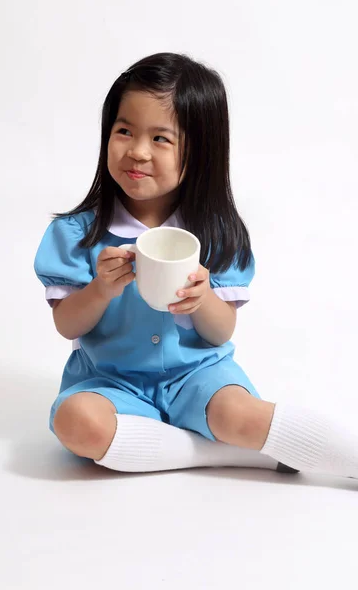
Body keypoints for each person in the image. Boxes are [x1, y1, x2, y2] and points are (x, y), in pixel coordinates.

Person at [35, 52, 357, 482]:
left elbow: (221, 332)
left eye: (161, 139)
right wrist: (100, 290)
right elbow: (67, 325)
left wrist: (203, 299)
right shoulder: (78, 233)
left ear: (200, 151)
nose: (137, 152)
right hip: (110, 381)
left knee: (239, 414)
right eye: (124, 131)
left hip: (199, 376)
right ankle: (227, 455)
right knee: (75, 423)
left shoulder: (216, 233)